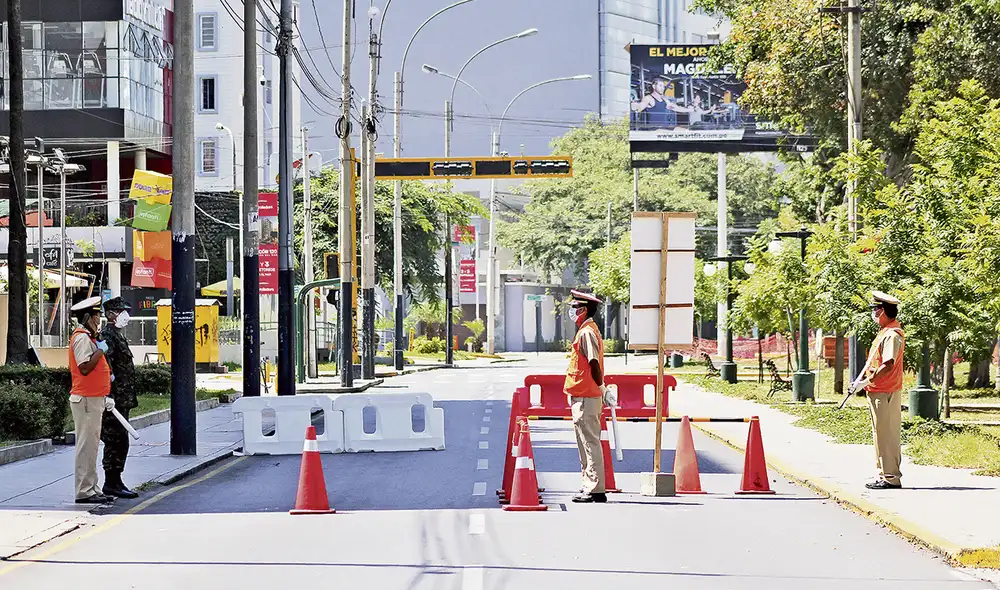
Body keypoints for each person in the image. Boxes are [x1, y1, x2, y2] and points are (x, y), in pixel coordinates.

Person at [563, 289, 615, 503]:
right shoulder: (587, 330)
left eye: (574, 307)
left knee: (589, 443)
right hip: (583, 395)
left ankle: (594, 489)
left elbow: (593, 363)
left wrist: (602, 388)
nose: (571, 310)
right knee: (586, 443)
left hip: (587, 396)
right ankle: (590, 486)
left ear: (583, 310)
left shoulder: (586, 333)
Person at [850, 291, 906, 490]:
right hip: (880, 390)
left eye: (876, 309)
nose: (874, 313)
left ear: (883, 311)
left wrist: (866, 382)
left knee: (886, 434)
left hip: (885, 390)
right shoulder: (885, 332)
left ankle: (891, 477)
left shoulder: (891, 335)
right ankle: (884, 475)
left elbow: (888, 364)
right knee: (881, 434)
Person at [68, 296, 115, 504]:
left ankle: (92, 487)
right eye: (96, 316)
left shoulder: (89, 337)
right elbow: (84, 367)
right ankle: (84, 491)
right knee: (87, 446)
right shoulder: (81, 338)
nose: (98, 320)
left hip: (93, 399)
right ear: (87, 317)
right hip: (86, 399)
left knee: (93, 446)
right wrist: (99, 351)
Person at [100, 297, 139, 499]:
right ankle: (111, 482)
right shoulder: (107, 335)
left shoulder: (118, 335)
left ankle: (116, 480)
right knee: (115, 441)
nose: (125, 315)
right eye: (120, 311)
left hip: (123, 399)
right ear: (110, 314)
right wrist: (110, 396)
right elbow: (107, 368)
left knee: (121, 441)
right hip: (113, 402)